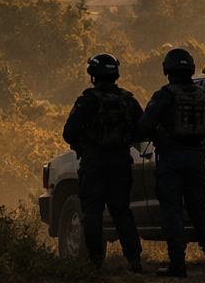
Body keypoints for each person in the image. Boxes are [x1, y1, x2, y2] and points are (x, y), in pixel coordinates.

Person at [137, 47, 205, 277]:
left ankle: (177, 264)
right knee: (199, 210)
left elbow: (144, 126)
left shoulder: (164, 95)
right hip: (197, 160)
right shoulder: (204, 95)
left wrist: (159, 135)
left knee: (172, 211)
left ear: (168, 70)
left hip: (171, 160)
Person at [62, 52, 145, 271]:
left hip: (94, 162)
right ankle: (134, 260)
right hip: (120, 162)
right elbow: (143, 130)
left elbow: (69, 133)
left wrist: (83, 145)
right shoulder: (128, 100)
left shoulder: (87, 100)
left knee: (93, 212)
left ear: (93, 75)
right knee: (122, 211)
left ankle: (95, 262)